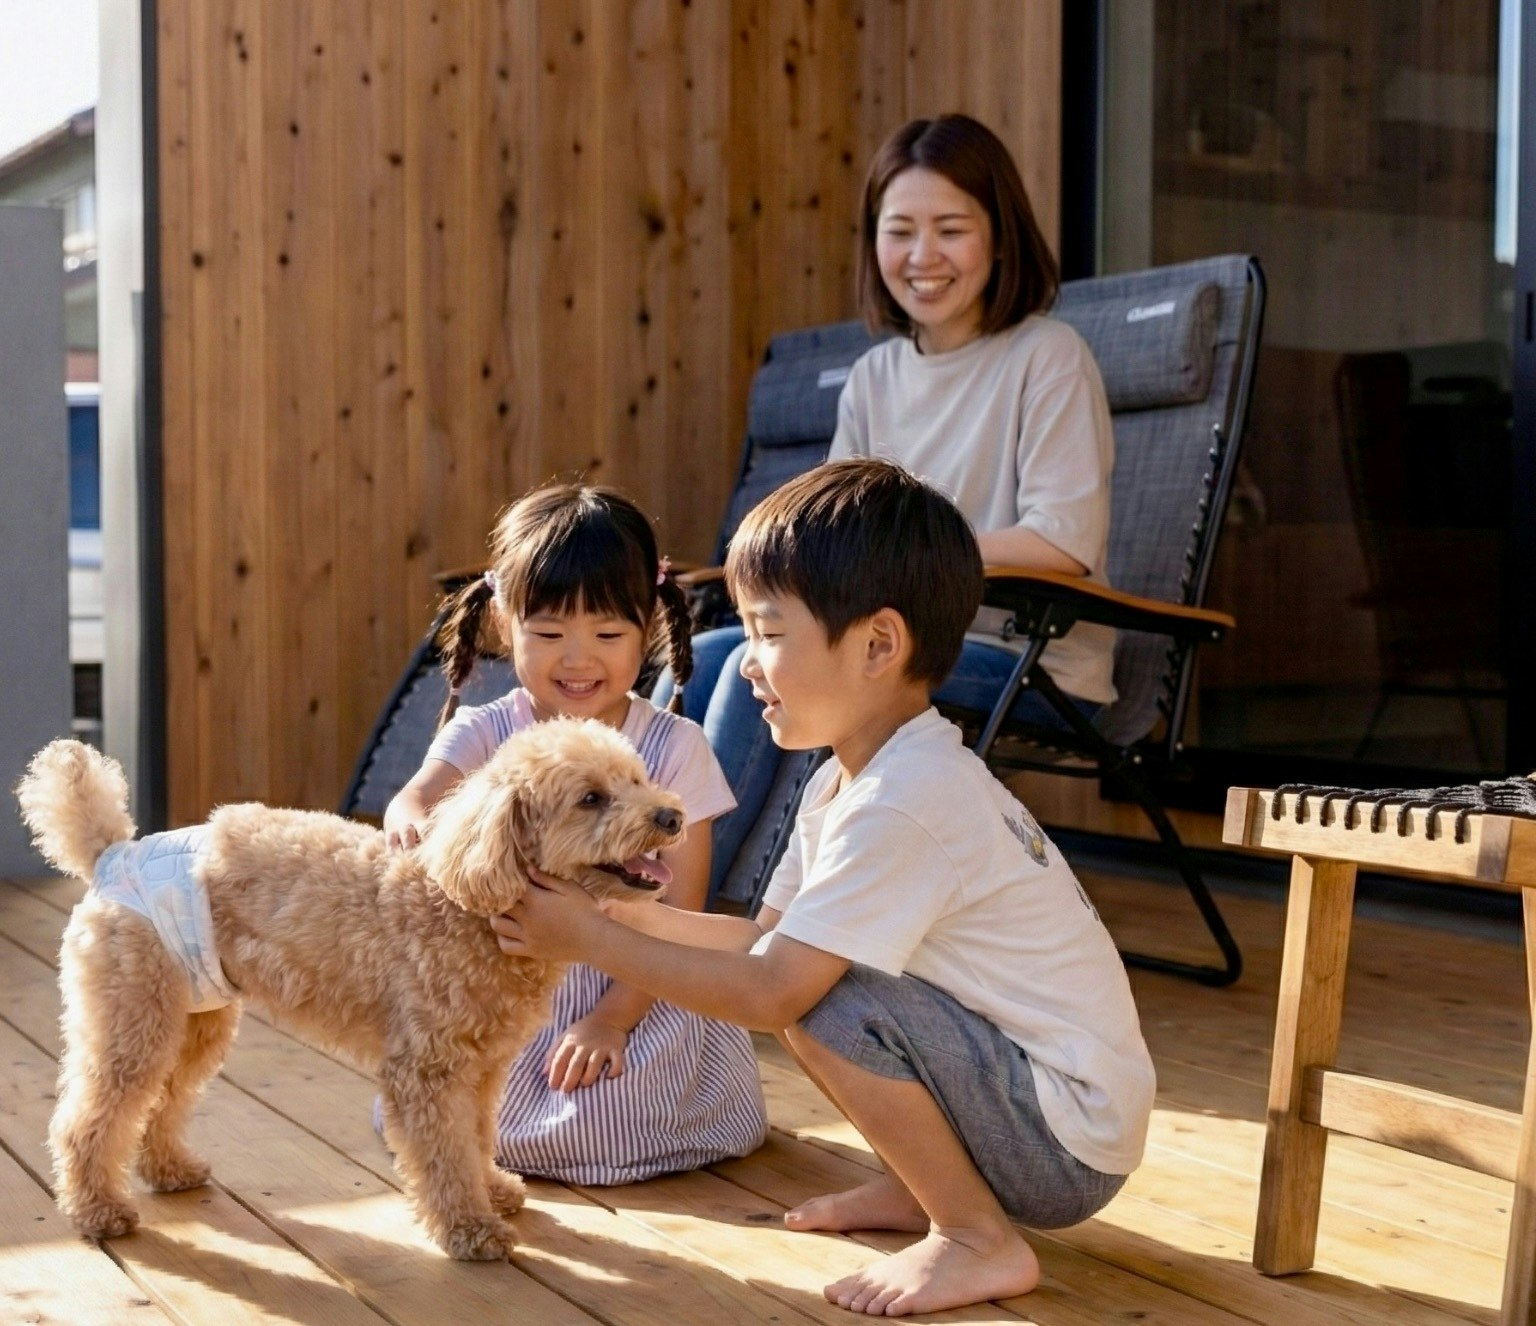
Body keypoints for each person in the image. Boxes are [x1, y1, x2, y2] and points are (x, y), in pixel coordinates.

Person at [494, 460, 1153, 1317]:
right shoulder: (848, 779)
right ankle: (922, 1189)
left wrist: (590, 940)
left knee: (818, 999)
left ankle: (974, 1236)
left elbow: (772, 989)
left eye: (768, 633)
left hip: (1062, 1141)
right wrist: (614, 909)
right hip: (1030, 1104)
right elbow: (759, 938)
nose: (746, 664)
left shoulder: (905, 801)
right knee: (811, 971)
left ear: (878, 645)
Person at [685, 113, 1118, 887]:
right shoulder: (873, 378)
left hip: (1020, 651)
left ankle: (700, 916)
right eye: (900, 231)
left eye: (951, 229)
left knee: (776, 668)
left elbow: (1064, 540)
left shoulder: (1047, 356)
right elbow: (823, 543)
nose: (923, 257)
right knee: (711, 653)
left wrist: (899, 557)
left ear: (1001, 238)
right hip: (870, 640)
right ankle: (641, 880)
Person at [383, 482, 766, 1183]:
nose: (578, 660)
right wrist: (408, 821)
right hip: (505, 977)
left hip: (636, 983)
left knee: (611, 1113)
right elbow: (417, 797)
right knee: (443, 1080)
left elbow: (681, 915)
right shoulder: (487, 728)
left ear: (648, 627)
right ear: (505, 624)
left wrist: (612, 1020)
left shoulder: (675, 747)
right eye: (550, 634)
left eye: (608, 635)